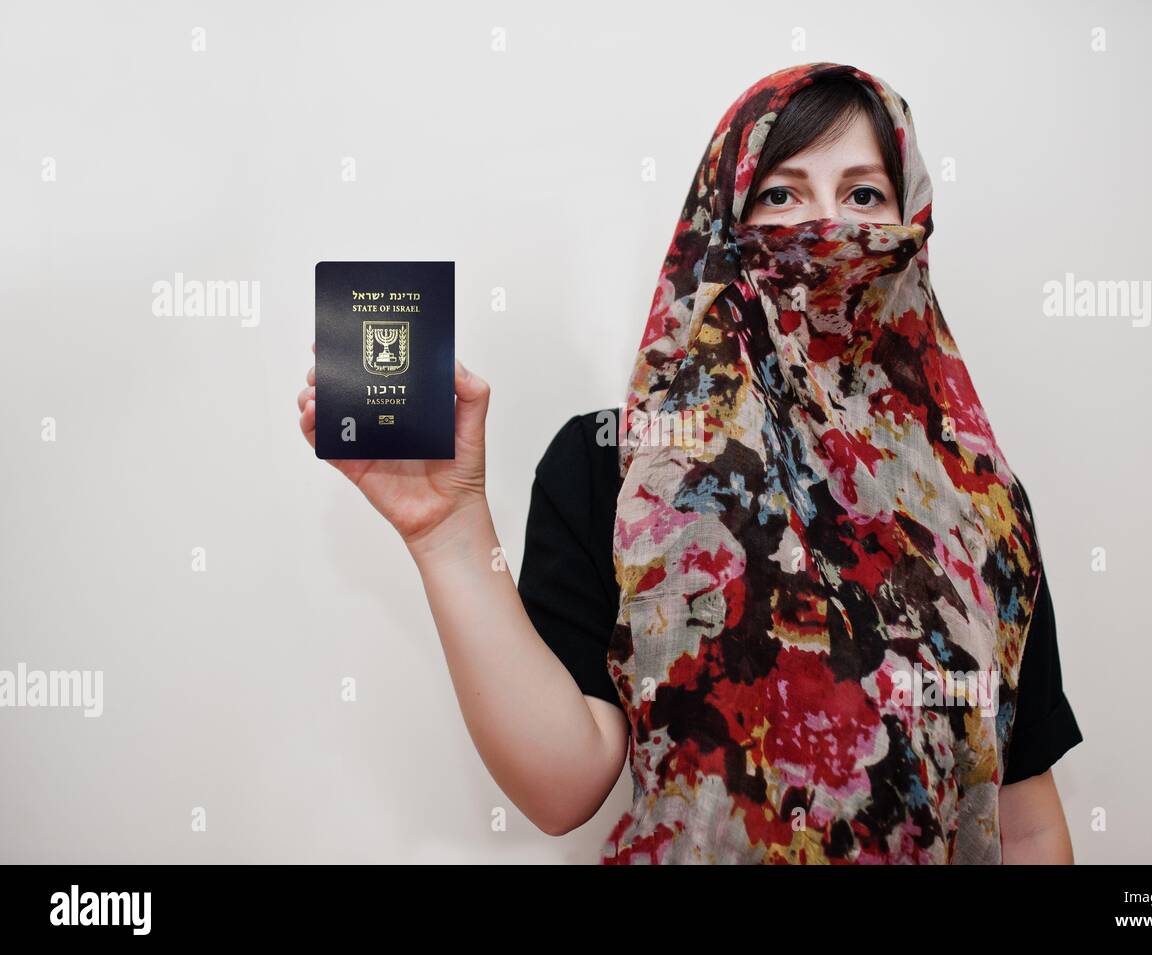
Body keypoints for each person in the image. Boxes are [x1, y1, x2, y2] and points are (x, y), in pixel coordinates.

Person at [297, 62, 1082, 864]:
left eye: (863, 196)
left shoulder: (977, 503)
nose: (826, 227)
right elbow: (562, 788)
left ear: (909, 225)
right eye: (780, 195)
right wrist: (448, 531)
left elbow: (1023, 821)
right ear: (722, 227)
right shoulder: (616, 467)